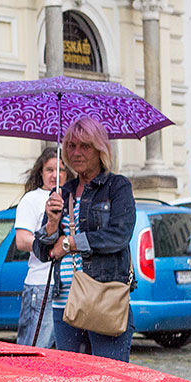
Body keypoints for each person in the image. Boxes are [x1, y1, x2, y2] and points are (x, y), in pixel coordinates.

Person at [33, 117, 137, 361]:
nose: (76, 152)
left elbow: (118, 236)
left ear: (100, 149)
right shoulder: (62, 193)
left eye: (85, 146)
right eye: (71, 145)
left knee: (109, 381)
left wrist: (70, 243)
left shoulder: (116, 187)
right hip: (65, 303)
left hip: (103, 298)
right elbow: (42, 251)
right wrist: (51, 222)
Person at [14, 150, 65, 349]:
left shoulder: (72, 197)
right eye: (50, 169)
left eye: (60, 170)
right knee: (34, 348)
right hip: (41, 284)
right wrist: (53, 243)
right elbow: (22, 240)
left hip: (70, 285)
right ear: (41, 172)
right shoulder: (32, 199)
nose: (55, 175)